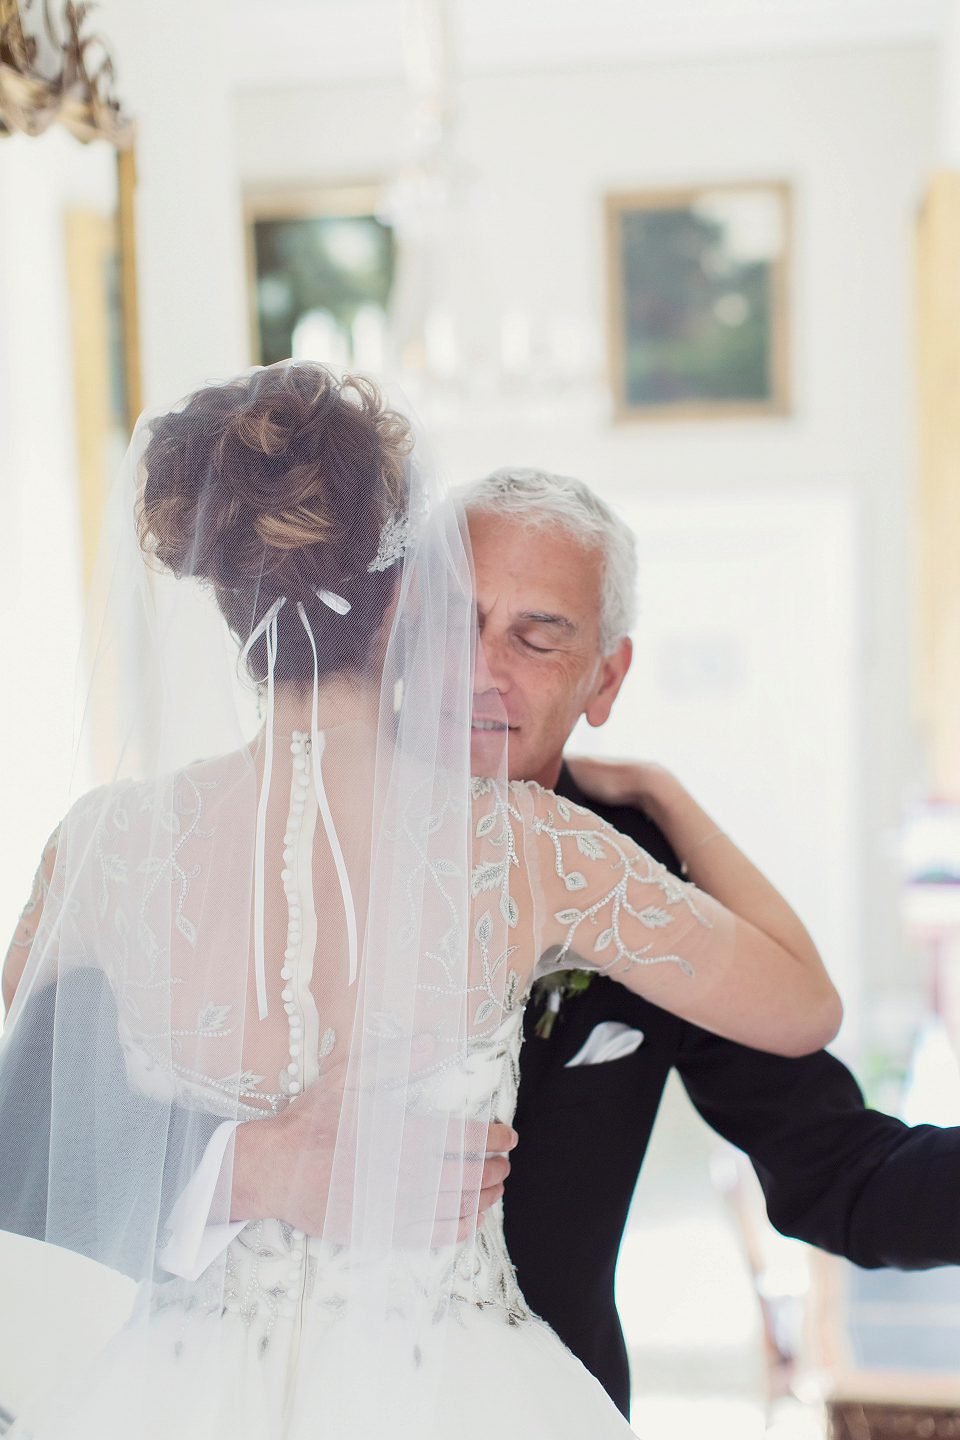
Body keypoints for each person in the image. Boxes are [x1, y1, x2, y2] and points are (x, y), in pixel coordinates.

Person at [0, 363, 839, 1439]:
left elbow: (20, 1133)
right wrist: (667, 798)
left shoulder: (103, 847)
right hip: (454, 1392)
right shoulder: (529, 848)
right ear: (409, 595)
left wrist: (218, 1171)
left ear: (220, 590)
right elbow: (806, 1003)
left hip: (167, 1395)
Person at [460, 467, 960, 1418]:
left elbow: (842, 1174)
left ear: (605, 679)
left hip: (560, 1413)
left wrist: (658, 799)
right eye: (455, 624)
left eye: (537, 635)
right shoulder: (296, 856)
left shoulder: (638, 877)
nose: (481, 668)